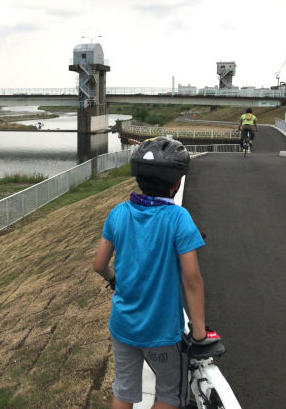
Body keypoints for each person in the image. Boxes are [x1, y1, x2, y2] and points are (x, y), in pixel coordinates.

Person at [93, 137, 219, 409]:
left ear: (137, 178)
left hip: (123, 326)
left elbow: (99, 265)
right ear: (176, 184)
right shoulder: (178, 219)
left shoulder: (118, 213)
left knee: (123, 392)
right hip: (161, 332)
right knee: (170, 395)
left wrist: (113, 279)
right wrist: (199, 334)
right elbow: (192, 279)